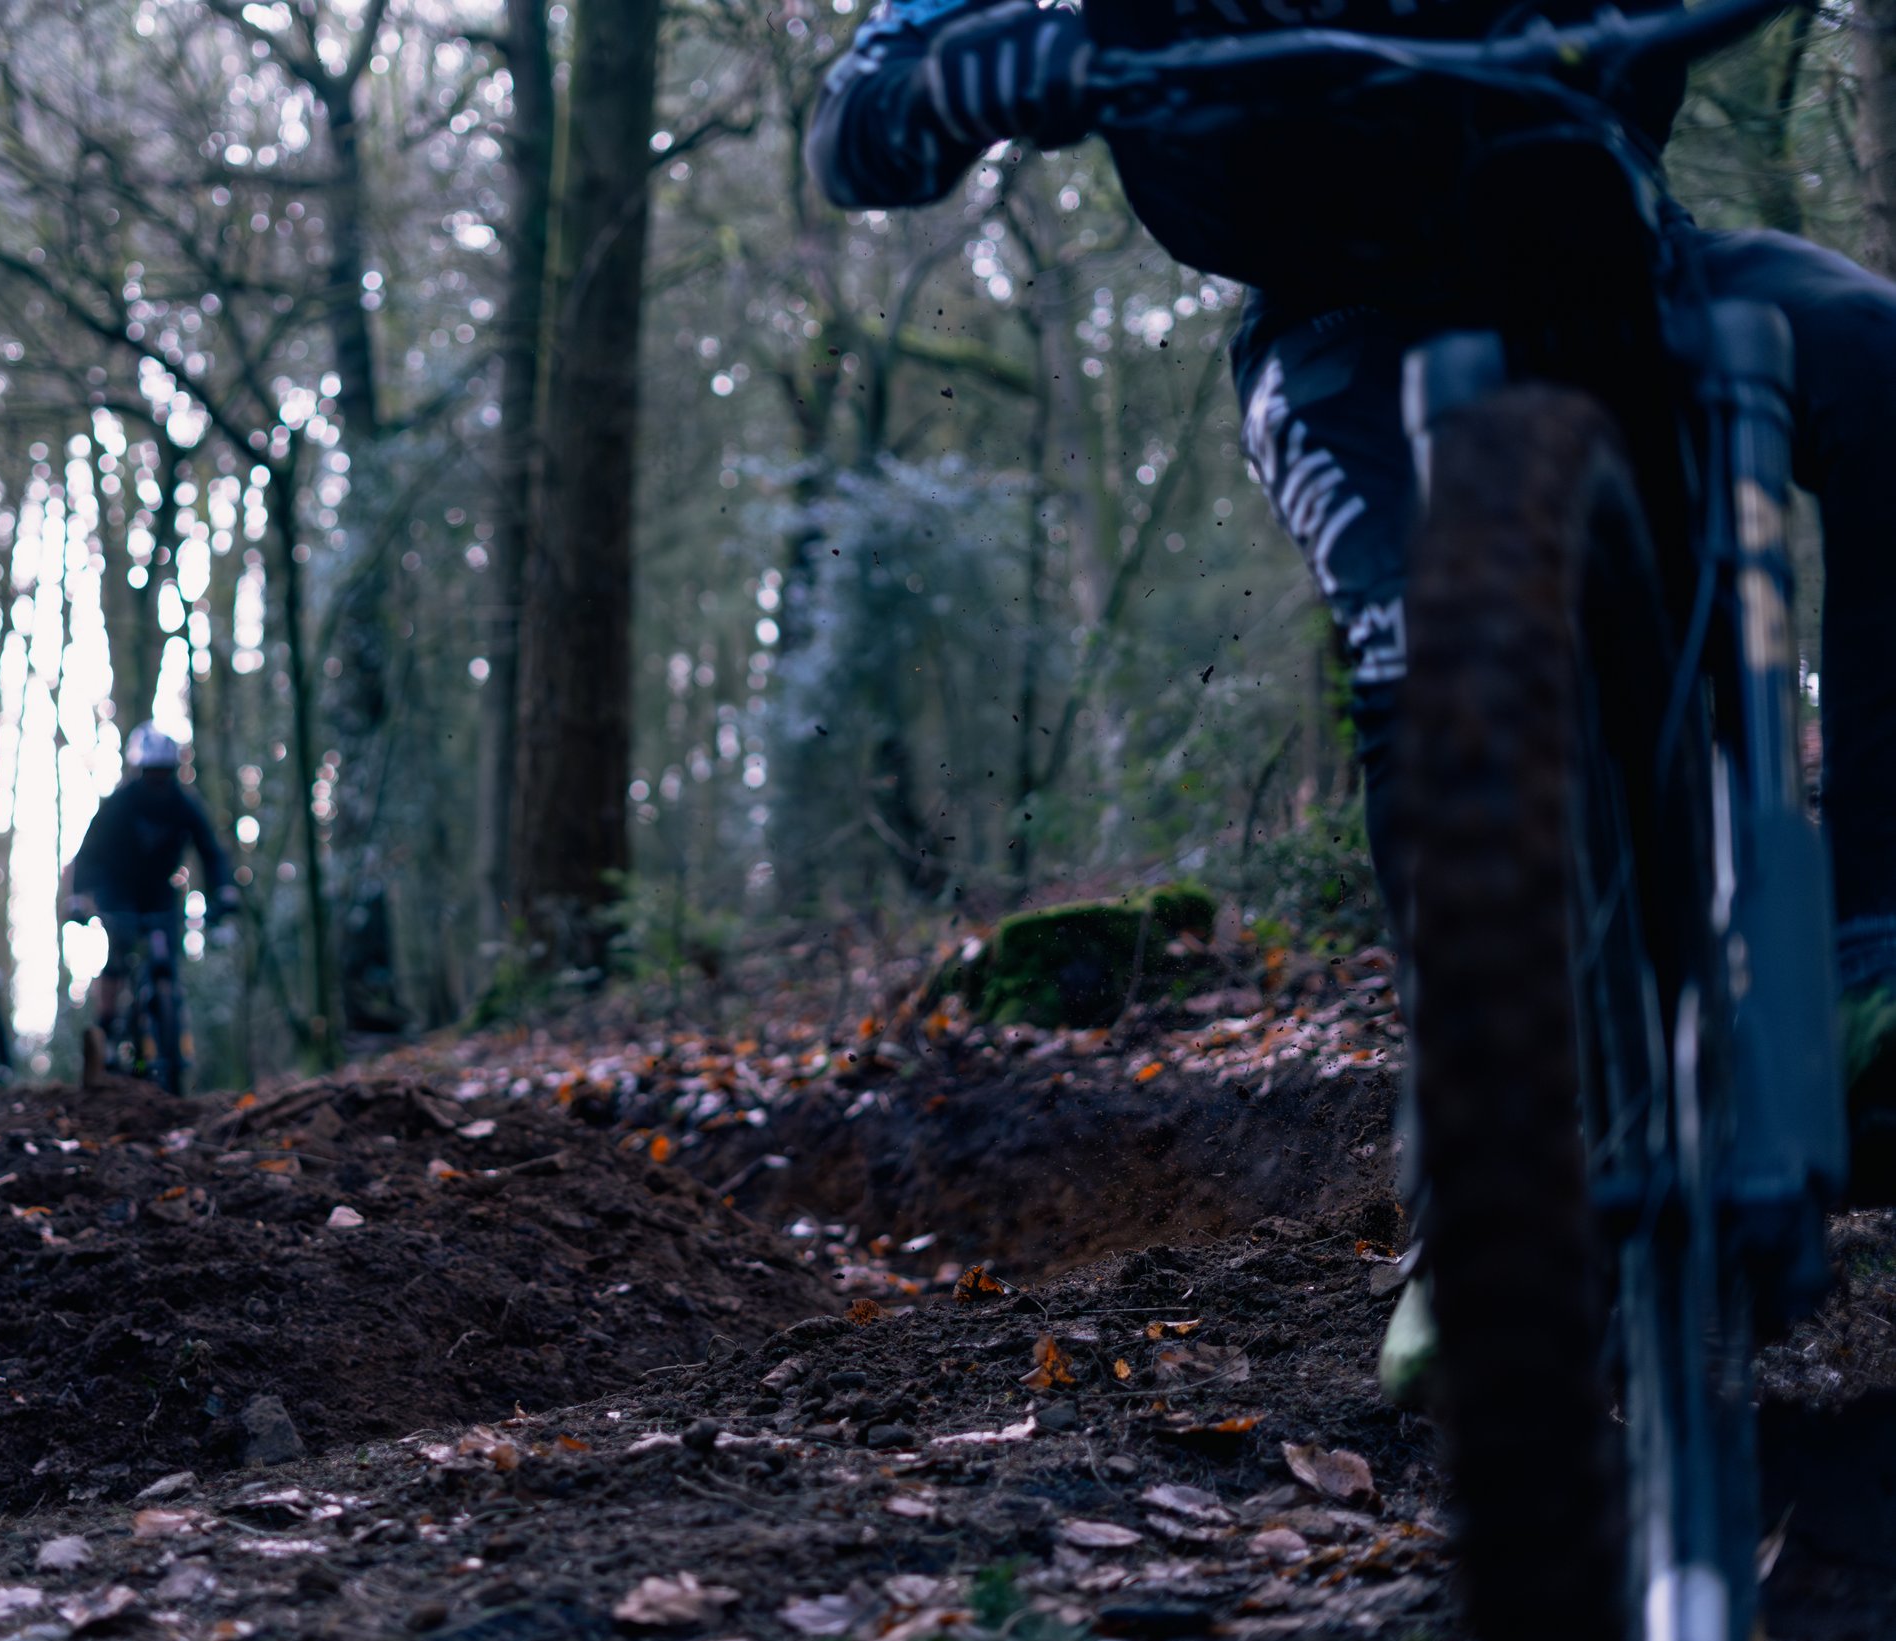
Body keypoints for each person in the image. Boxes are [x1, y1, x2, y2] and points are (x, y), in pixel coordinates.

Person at [807, 0, 1896, 1385]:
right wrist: (973, 73)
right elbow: (859, 121)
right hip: (1349, 327)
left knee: (1875, 360)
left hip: (1625, 264)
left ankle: (1866, 955)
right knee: (1422, 627)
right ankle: (1486, 1190)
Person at [61, 722, 237, 1068]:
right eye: (151, 772)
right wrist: (79, 897)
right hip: (117, 890)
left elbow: (211, 850)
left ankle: (170, 1036)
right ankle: (108, 1029)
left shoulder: (183, 805)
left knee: (166, 960)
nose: (158, 780)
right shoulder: (120, 804)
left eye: (164, 772)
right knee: (118, 953)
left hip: (160, 893)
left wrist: (225, 891)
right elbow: (89, 852)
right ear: (138, 770)